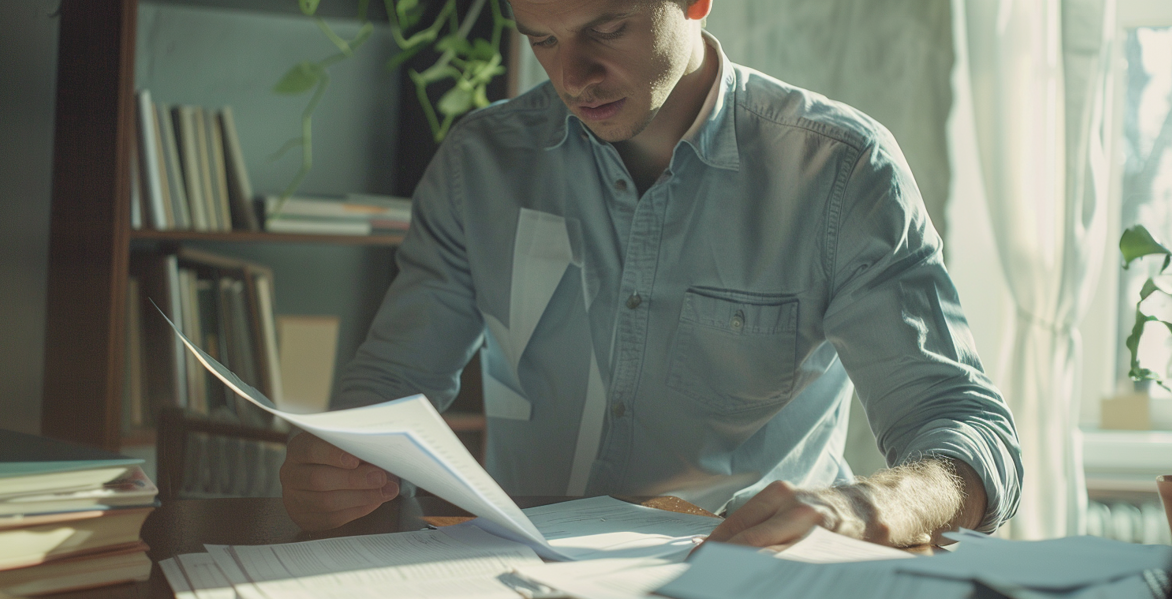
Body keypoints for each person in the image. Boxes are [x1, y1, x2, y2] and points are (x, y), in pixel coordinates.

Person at [280, 0, 1021, 550]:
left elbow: (973, 432)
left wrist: (876, 505)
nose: (572, 76)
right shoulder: (481, 163)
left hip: (749, 596)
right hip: (524, 591)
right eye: (543, 39)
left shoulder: (839, 172)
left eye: (606, 29)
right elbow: (389, 388)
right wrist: (341, 469)